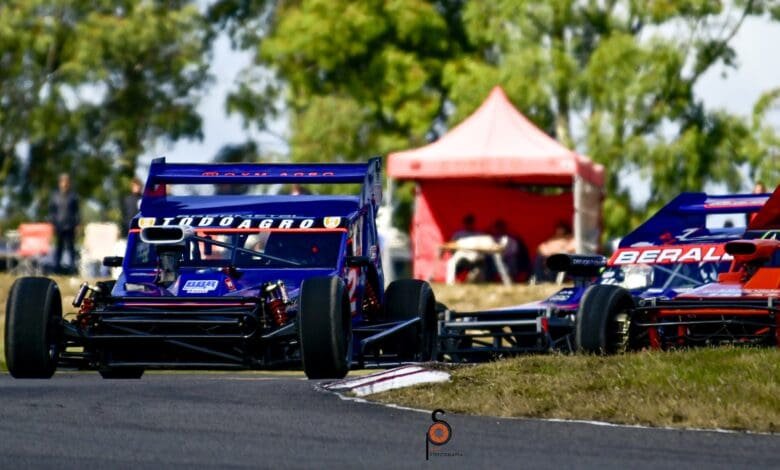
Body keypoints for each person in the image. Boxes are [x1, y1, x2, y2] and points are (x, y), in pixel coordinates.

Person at [49, 173, 80, 274]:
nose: (64, 184)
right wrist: (53, 223)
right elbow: (52, 212)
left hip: (70, 225)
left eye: (66, 181)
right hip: (59, 226)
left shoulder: (73, 196)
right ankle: (56, 269)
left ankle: (72, 269)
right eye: (62, 181)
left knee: (71, 248)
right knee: (59, 248)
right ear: (60, 183)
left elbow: (77, 212)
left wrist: (77, 224)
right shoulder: (55, 196)